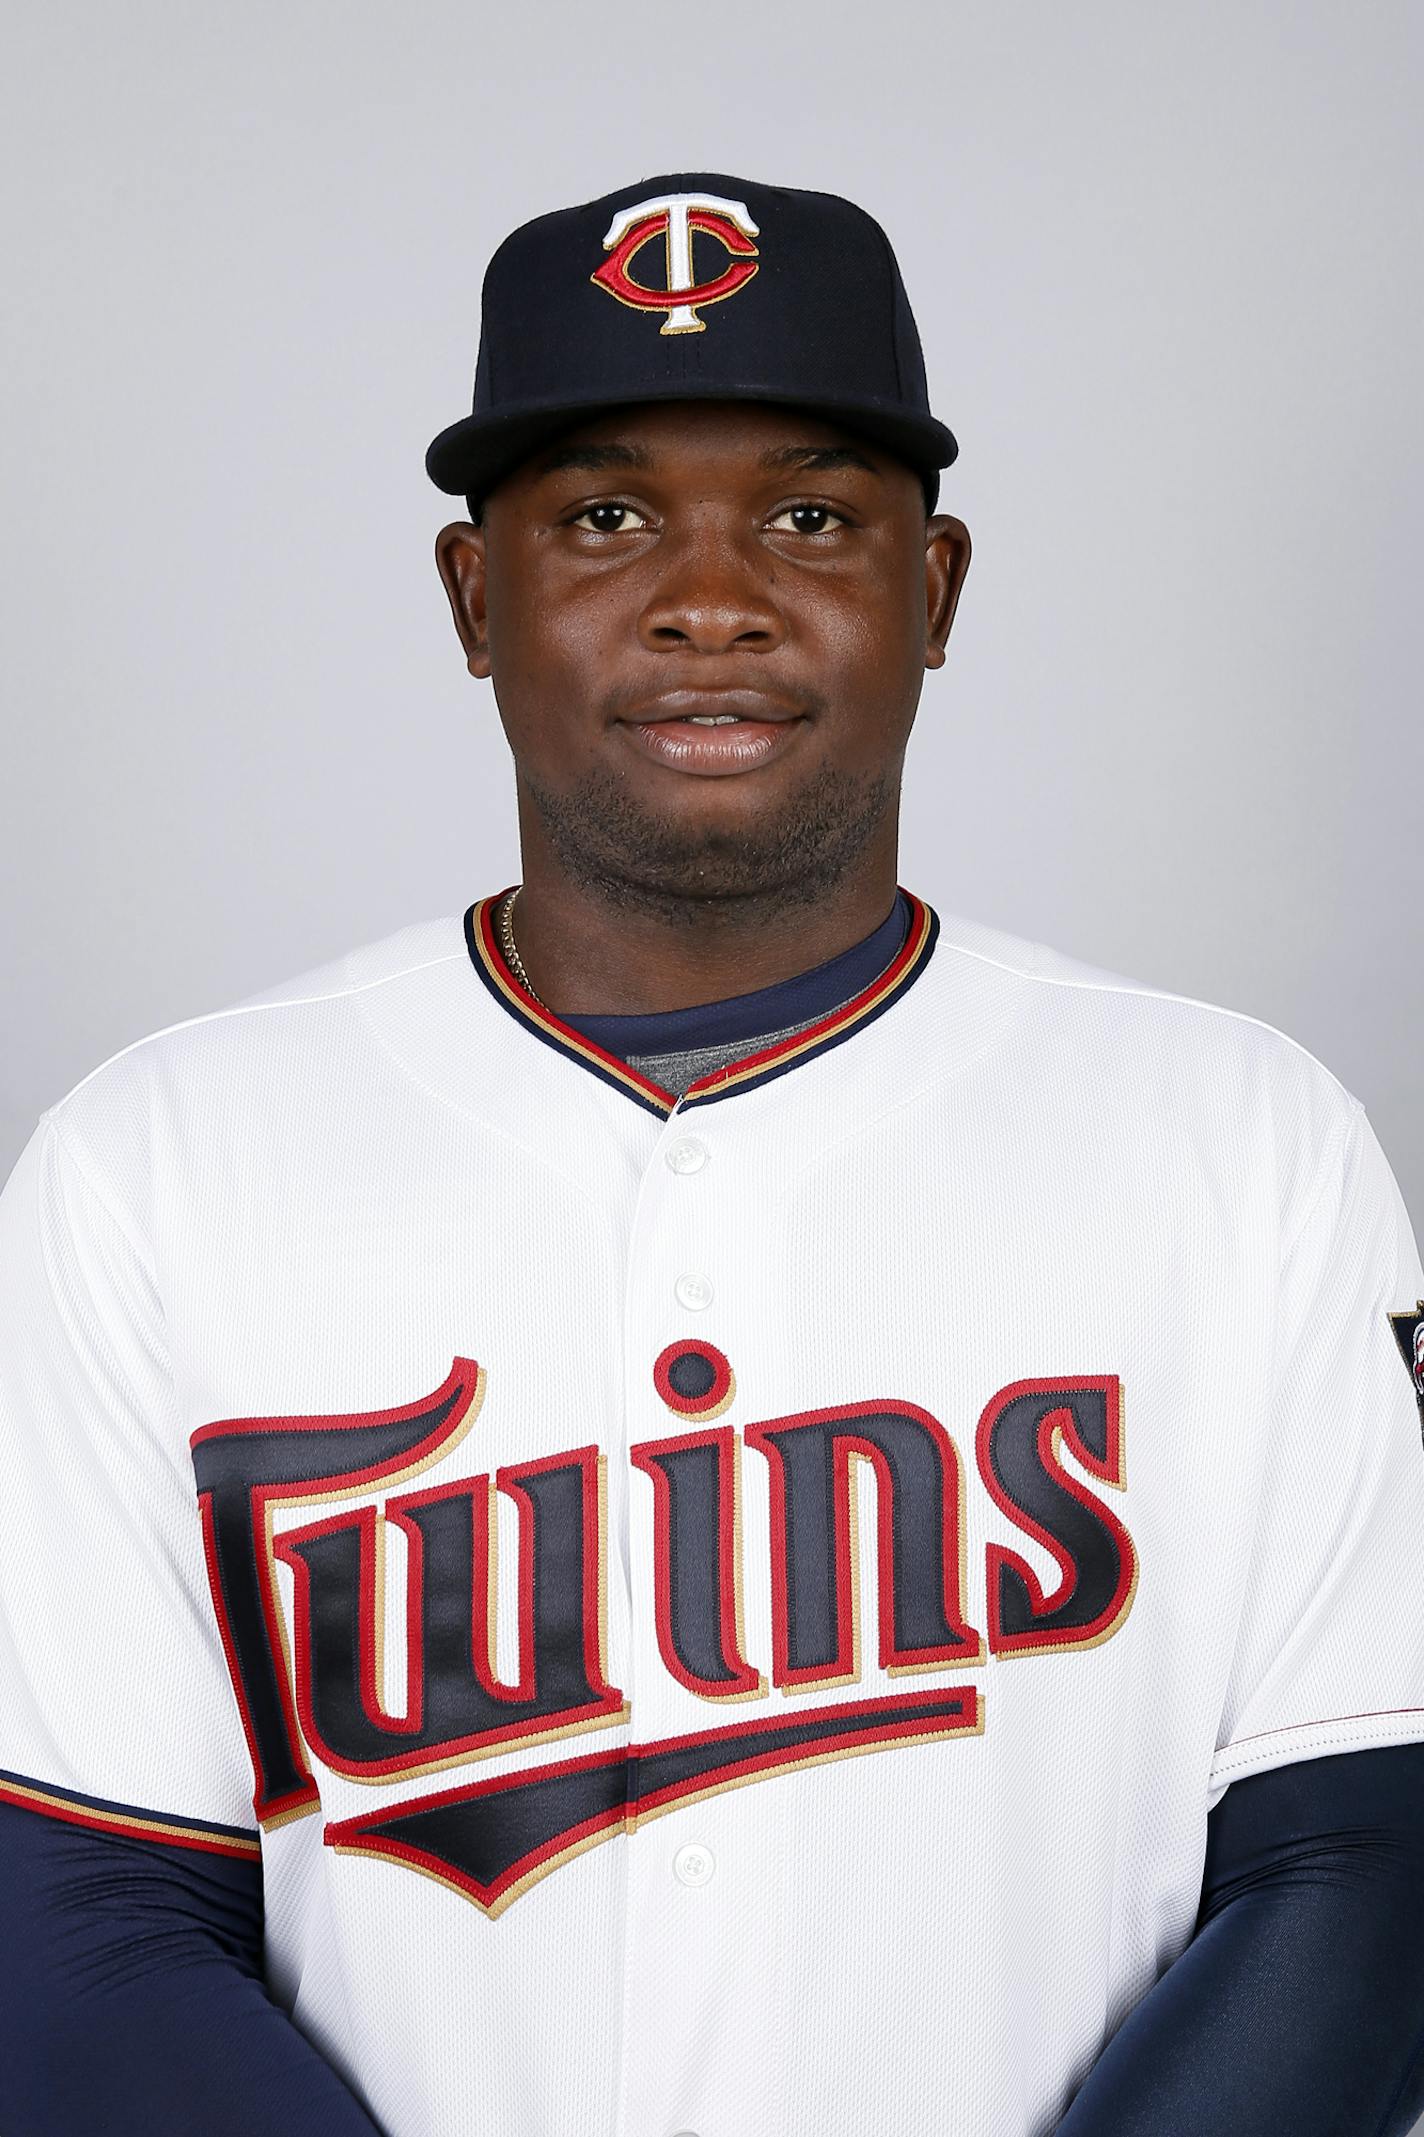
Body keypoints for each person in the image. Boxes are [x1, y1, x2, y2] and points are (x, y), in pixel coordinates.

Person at [3, 170, 1424, 2137]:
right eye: (601, 515)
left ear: (931, 590)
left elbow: (1356, 1866)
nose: (710, 594)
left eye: (812, 515)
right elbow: (80, 1910)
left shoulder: (1240, 1141)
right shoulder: (155, 1164)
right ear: (469, 596)